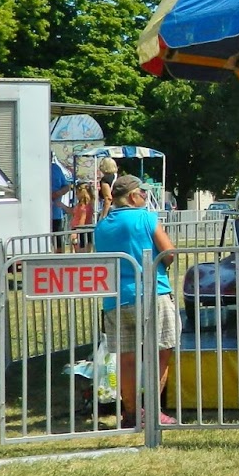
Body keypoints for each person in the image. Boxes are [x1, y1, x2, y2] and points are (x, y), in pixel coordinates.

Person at [92, 173, 178, 428]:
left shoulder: (102, 225)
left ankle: (130, 413)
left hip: (115, 299)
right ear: (132, 196)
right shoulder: (145, 218)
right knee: (162, 351)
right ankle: (151, 411)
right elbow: (169, 253)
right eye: (142, 193)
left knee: (126, 359)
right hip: (152, 294)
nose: (144, 197)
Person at [50, 158, 72, 248]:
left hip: (56, 214)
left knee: (58, 242)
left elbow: (67, 187)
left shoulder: (56, 168)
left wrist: (58, 193)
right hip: (40, 215)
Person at [69, 183, 96, 250]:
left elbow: (82, 221)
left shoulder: (84, 207)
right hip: (81, 231)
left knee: (81, 252)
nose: (76, 195)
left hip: (81, 231)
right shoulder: (83, 205)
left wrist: (76, 232)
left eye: (77, 193)